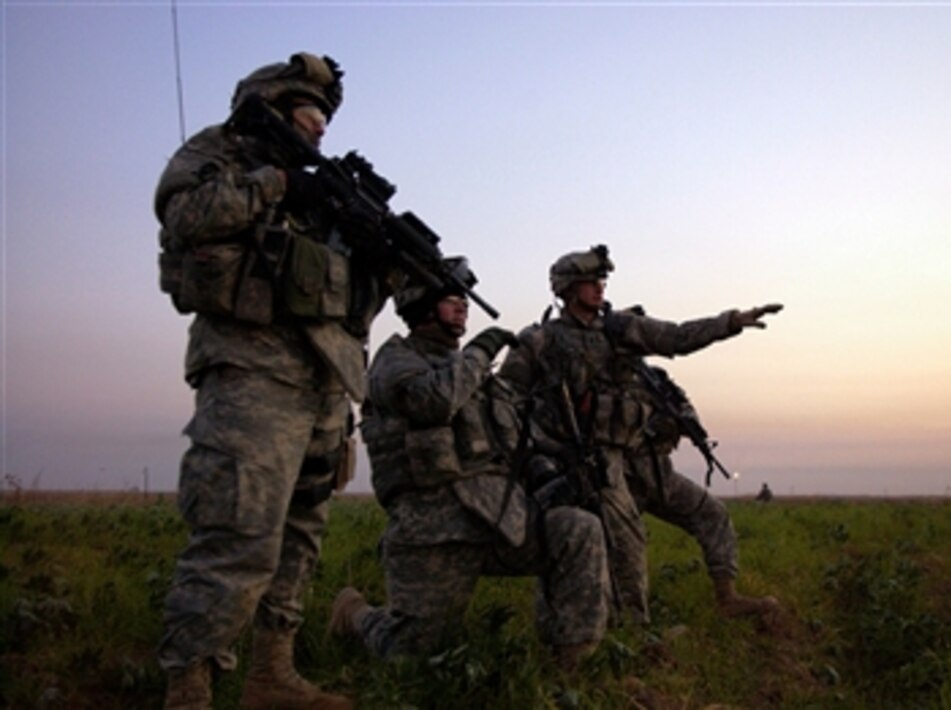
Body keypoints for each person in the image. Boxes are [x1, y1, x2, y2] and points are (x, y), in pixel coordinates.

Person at [155, 52, 395, 709]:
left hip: (325, 377)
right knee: (239, 533)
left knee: (299, 535)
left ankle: (271, 675)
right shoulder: (224, 153)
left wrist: (379, 260)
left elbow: (344, 296)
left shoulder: (325, 194)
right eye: (312, 112)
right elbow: (185, 217)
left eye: (325, 115)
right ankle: (189, 689)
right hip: (251, 368)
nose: (322, 127)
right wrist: (279, 184)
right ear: (275, 104)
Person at [329, 260, 610, 669]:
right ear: (422, 306)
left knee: (578, 528)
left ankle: (568, 662)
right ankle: (354, 614)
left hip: (499, 520)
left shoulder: (480, 378)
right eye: (451, 300)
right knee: (414, 654)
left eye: (464, 300)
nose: (462, 307)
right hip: (433, 530)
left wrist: (552, 472)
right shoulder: (396, 361)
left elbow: (516, 441)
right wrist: (480, 351)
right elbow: (434, 401)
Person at [499, 244, 782, 624]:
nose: (599, 288)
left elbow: (677, 337)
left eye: (602, 280)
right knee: (617, 548)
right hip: (586, 465)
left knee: (707, 514)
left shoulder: (620, 330)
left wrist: (731, 322)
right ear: (567, 289)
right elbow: (507, 399)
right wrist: (539, 455)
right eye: (590, 282)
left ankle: (725, 598)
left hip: (637, 459)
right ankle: (630, 632)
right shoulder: (540, 340)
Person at [625, 362, 779, 618]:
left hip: (659, 473)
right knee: (627, 546)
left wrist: (678, 419)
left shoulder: (654, 378)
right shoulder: (599, 376)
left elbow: (687, 413)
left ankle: (727, 598)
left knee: (713, 513)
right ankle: (628, 623)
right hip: (619, 475)